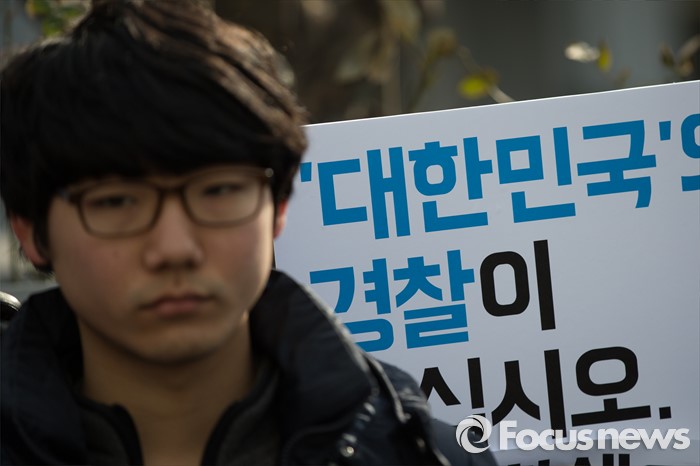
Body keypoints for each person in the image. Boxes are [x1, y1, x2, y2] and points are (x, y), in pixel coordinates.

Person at [0, 1, 497, 465]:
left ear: (278, 207)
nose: (175, 248)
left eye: (218, 191)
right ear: (31, 229)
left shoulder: (428, 454)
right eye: (115, 202)